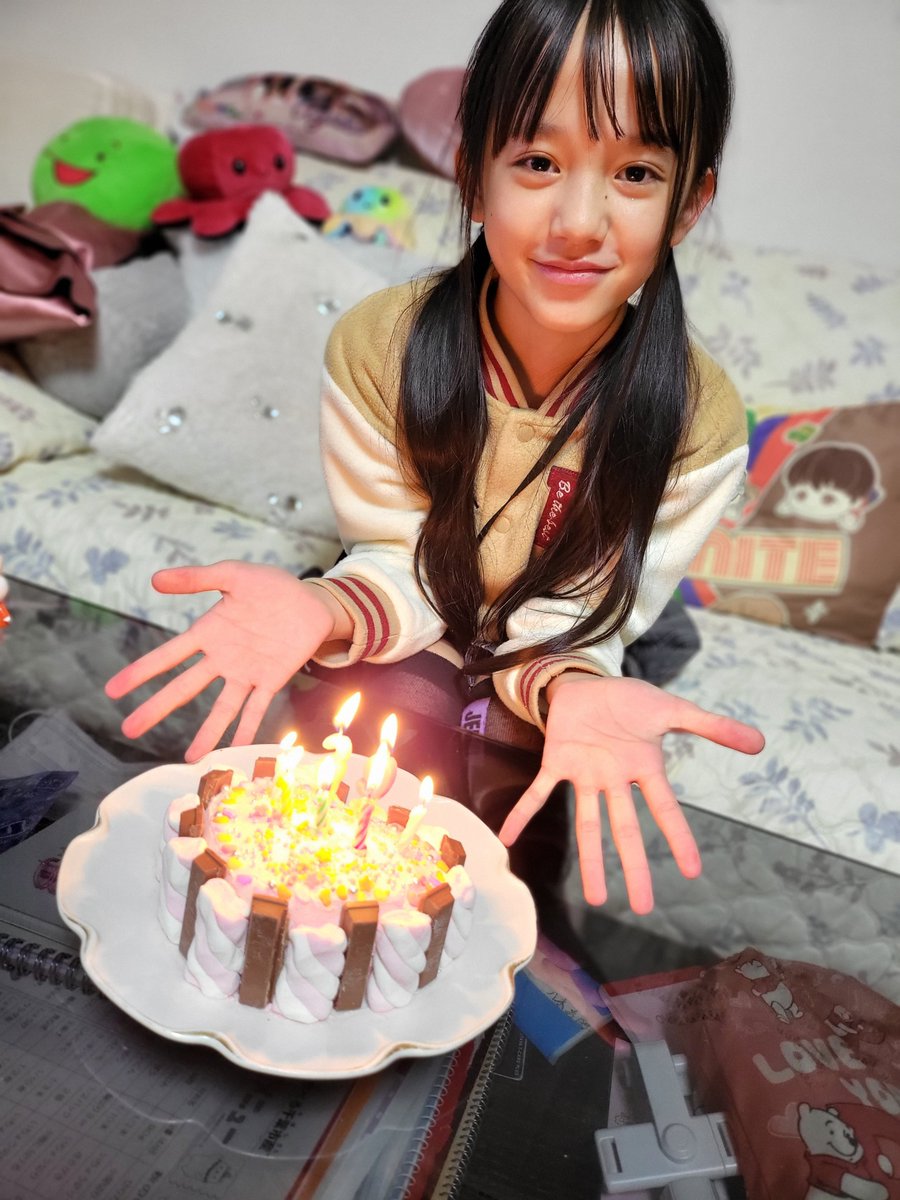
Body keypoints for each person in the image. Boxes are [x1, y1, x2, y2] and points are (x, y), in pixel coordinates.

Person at [106, 0, 765, 915]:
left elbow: (584, 613)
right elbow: (399, 556)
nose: (580, 221)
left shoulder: (699, 422)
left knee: (515, 858)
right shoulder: (378, 348)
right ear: (472, 173)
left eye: (637, 172)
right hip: (412, 602)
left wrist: (571, 683)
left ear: (689, 202)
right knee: (351, 823)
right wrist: (323, 605)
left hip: (564, 637)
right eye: (538, 162)